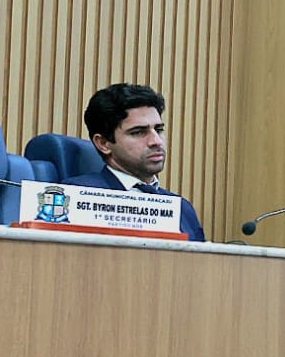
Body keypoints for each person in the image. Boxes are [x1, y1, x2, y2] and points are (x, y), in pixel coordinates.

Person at [65, 83, 206, 242]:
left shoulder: (182, 208)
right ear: (104, 143)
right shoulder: (76, 196)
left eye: (158, 130)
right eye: (138, 132)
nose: (156, 141)